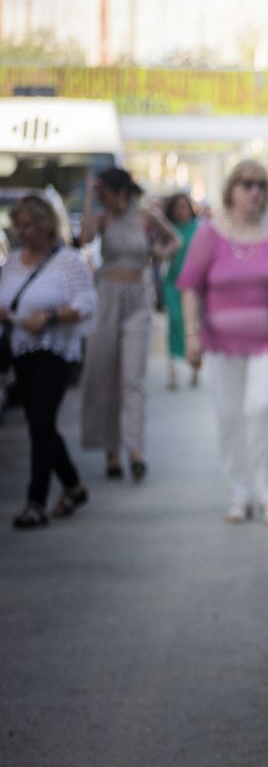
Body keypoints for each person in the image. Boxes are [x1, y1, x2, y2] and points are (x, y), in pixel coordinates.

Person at [178, 159, 268, 525]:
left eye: (261, 185)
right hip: (220, 343)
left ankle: (266, 491)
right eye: (247, 184)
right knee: (228, 417)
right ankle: (240, 493)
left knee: (261, 407)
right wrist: (191, 335)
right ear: (231, 189)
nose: (254, 191)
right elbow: (190, 285)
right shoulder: (210, 232)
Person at [78, 167, 180, 481]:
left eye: (105, 191)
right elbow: (83, 239)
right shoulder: (102, 218)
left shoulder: (145, 217)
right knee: (104, 374)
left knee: (132, 378)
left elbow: (174, 240)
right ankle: (111, 450)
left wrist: (159, 253)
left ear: (120, 191)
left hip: (138, 298)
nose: (104, 197)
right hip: (108, 297)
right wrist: (90, 199)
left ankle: (135, 449)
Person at [3, 195, 96, 529]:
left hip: (56, 350)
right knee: (38, 422)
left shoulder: (68, 261)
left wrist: (51, 316)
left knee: (41, 419)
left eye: (29, 225)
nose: (23, 232)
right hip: (22, 348)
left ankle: (35, 501)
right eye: (19, 226)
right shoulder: (13, 262)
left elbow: (86, 302)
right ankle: (73, 486)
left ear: (44, 225)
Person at [160, 193, 201, 391]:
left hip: (193, 285)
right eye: (178, 207)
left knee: (191, 323)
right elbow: (158, 253)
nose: (182, 210)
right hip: (173, 282)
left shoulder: (200, 229)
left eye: (185, 206)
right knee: (175, 320)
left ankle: (194, 367)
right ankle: (172, 372)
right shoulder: (168, 230)